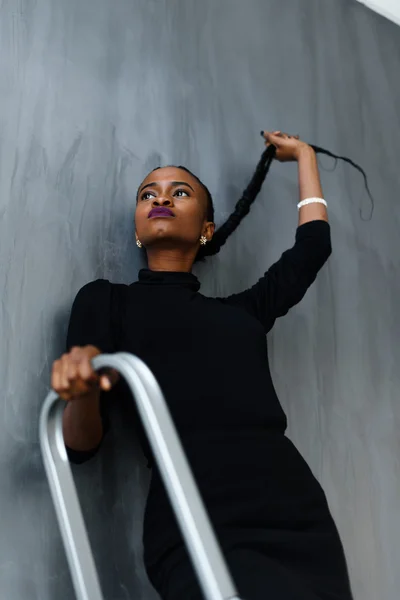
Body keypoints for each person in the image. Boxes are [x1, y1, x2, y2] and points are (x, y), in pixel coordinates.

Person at [51, 131, 354, 600]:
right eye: (148, 194)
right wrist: (82, 386)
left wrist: (305, 157)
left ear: (206, 229)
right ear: (136, 229)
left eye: (180, 192)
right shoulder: (106, 301)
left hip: (294, 513)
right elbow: (79, 443)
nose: (162, 199)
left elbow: (313, 247)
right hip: (194, 515)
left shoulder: (243, 312)